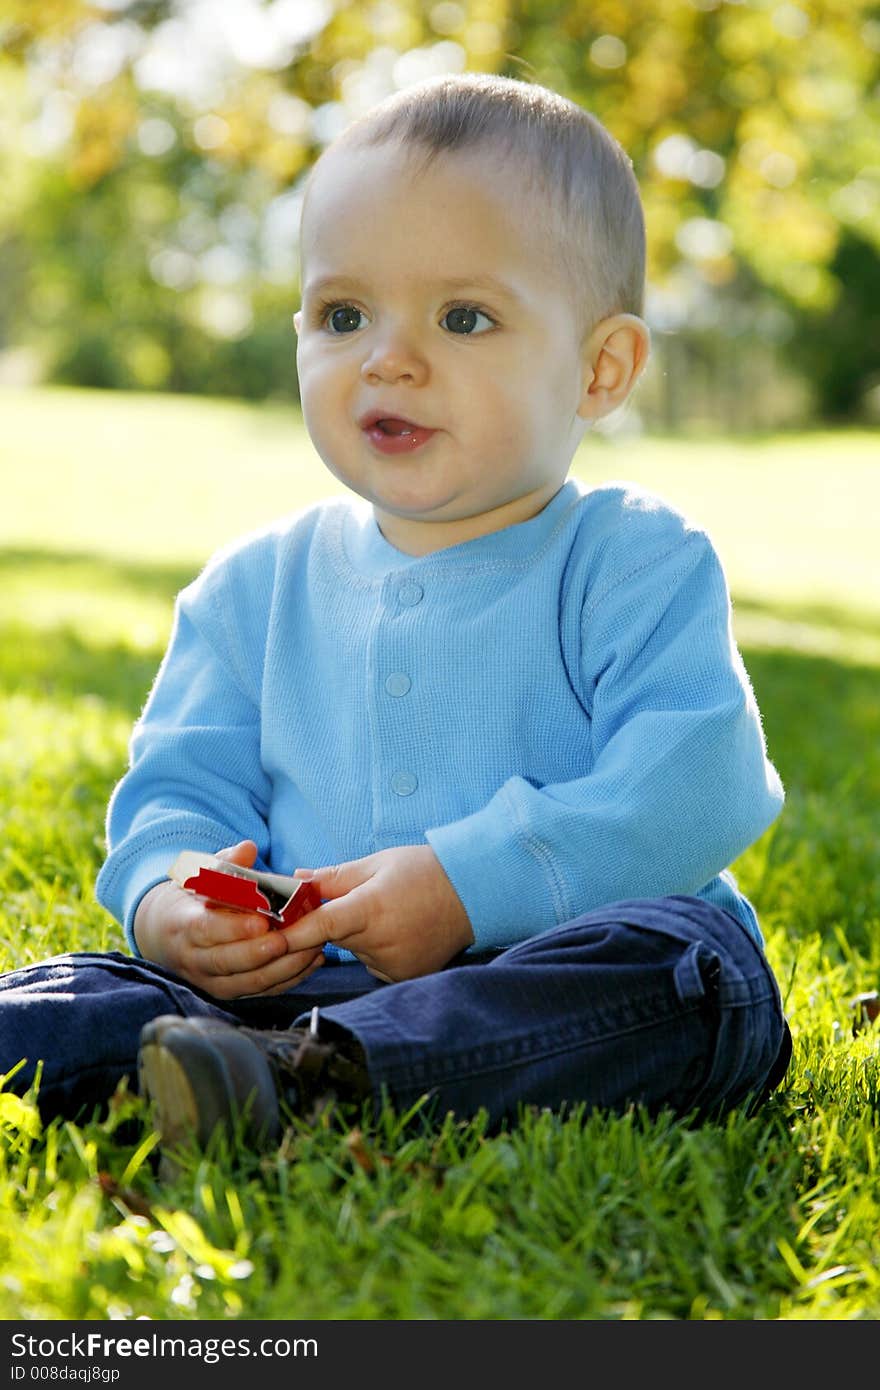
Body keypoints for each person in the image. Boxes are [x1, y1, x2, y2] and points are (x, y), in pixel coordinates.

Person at [0, 73, 792, 1163]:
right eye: (343, 314)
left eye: (463, 317)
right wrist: (173, 899)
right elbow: (178, 794)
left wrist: (471, 887)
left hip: (551, 979)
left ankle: (297, 1075)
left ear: (599, 368)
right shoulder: (252, 587)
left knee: (690, 970)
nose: (388, 357)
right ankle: (258, 1069)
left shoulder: (631, 559)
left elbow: (696, 782)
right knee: (81, 992)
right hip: (292, 985)